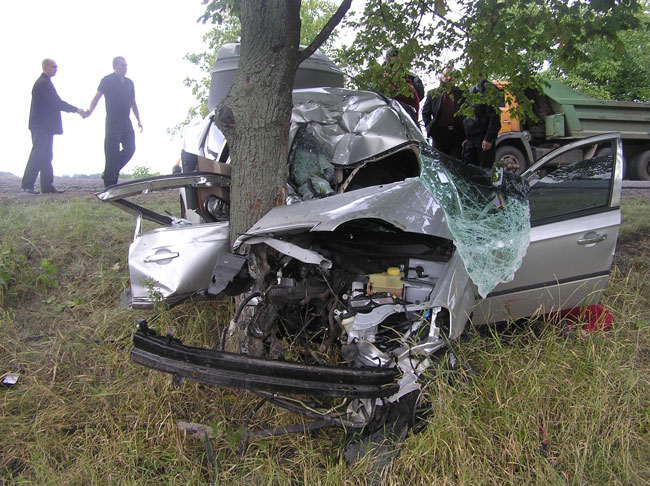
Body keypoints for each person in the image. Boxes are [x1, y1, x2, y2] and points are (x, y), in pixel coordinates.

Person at [21, 59, 86, 194]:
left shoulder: (45, 83)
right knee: (38, 153)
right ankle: (28, 185)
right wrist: (77, 110)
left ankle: (47, 186)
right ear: (45, 67)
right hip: (41, 125)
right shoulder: (43, 83)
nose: (56, 69)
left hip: (44, 126)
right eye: (53, 67)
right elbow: (57, 103)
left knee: (45, 155)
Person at [86, 56, 143, 187]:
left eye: (126, 65)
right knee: (112, 151)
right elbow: (97, 97)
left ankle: (109, 172)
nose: (125, 68)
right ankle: (110, 183)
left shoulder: (129, 82)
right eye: (123, 65)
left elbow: (133, 102)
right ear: (115, 66)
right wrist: (89, 111)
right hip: (112, 120)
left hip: (126, 120)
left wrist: (138, 120)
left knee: (130, 148)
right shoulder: (107, 80)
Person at [422, 67, 465, 159]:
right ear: (441, 77)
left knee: (456, 164)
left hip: (457, 134)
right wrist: (430, 128)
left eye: (452, 76)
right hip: (439, 134)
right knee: (439, 163)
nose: (449, 78)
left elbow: (467, 115)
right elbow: (425, 113)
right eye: (446, 75)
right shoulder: (433, 93)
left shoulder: (462, 93)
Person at [462, 79, 501, 169]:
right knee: (468, 170)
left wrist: (489, 138)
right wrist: (467, 137)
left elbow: (494, 116)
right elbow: (467, 115)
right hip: (471, 139)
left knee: (484, 171)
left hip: (483, 138)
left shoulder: (489, 88)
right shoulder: (471, 90)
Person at [383, 49, 425, 124]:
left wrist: (404, 81)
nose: (395, 68)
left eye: (398, 64)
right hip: (384, 118)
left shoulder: (411, 77)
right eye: (392, 64)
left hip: (407, 120)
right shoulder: (378, 78)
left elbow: (420, 94)